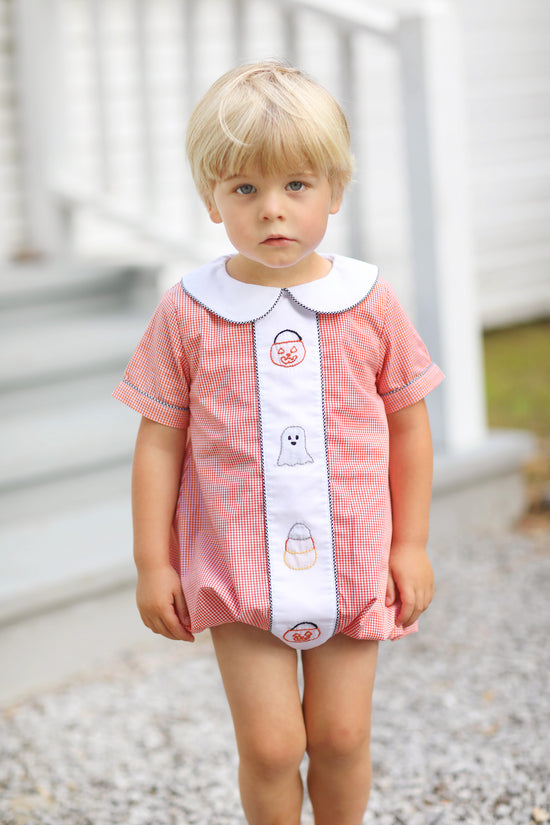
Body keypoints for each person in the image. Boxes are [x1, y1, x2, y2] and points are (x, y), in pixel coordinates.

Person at [113, 59, 444, 825]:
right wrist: (152, 560)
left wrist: (413, 543)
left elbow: (408, 424)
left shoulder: (368, 301)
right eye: (244, 189)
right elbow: (160, 442)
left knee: (339, 733)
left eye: (296, 185)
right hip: (237, 564)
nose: (273, 211)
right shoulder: (190, 310)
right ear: (211, 196)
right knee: (269, 745)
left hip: (357, 557)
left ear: (334, 189)